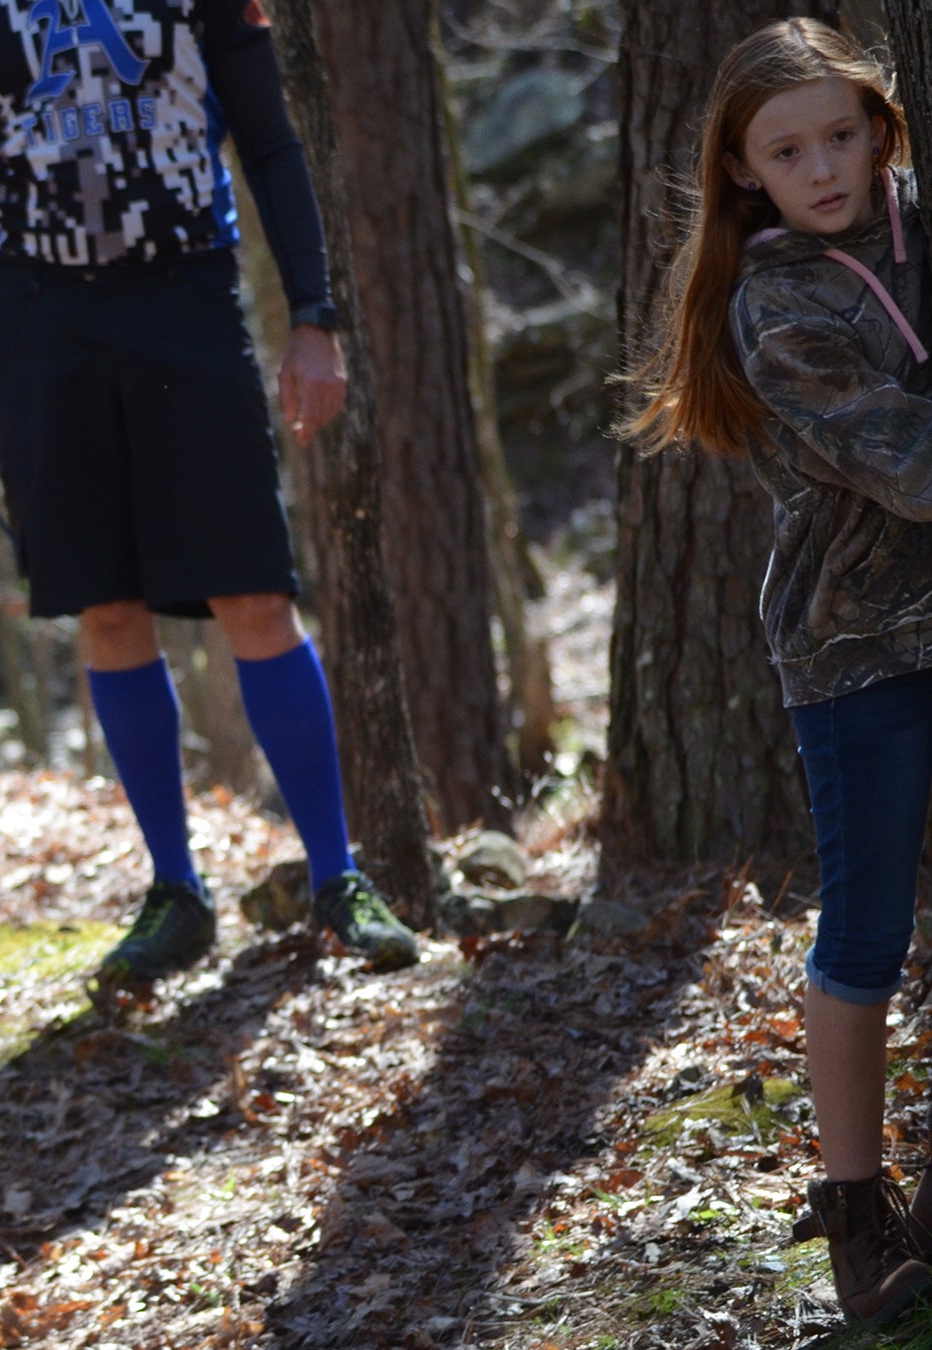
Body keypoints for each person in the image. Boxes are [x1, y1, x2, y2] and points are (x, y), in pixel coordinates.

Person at [0, 0, 417, 983]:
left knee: (254, 592)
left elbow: (270, 138)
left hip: (187, 293)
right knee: (106, 607)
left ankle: (338, 879)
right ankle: (176, 890)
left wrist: (314, 317)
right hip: (42, 318)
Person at [627, 18, 932, 1326]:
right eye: (789, 150)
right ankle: (856, 1212)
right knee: (867, 933)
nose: (824, 169)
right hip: (856, 652)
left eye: (841, 138)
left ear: (880, 130)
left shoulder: (916, 232)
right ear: (743, 169)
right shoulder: (776, 306)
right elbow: (909, 465)